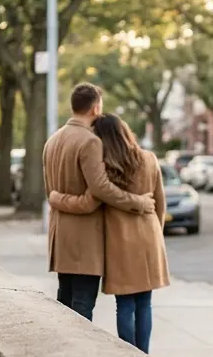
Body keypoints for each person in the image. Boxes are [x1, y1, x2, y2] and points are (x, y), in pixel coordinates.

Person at [48, 114, 170, 352]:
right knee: (145, 303)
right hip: (149, 238)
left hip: (119, 243)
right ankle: (144, 356)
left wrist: (56, 198)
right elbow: (160, 204)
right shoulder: (149, 159)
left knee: (124, 305)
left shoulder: (106, 169)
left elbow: (90, 203)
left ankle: (129, 355)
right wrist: (156, 233)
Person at [43, 83, 155, 320]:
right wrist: (138, 202)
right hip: (84, 242)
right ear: (95, 108)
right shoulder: (91, 142)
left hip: (60, 239)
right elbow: (100, 190)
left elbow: (50, 193)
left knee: (64, 304)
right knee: (82, 310)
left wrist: (57, 199)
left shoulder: (51, 141)